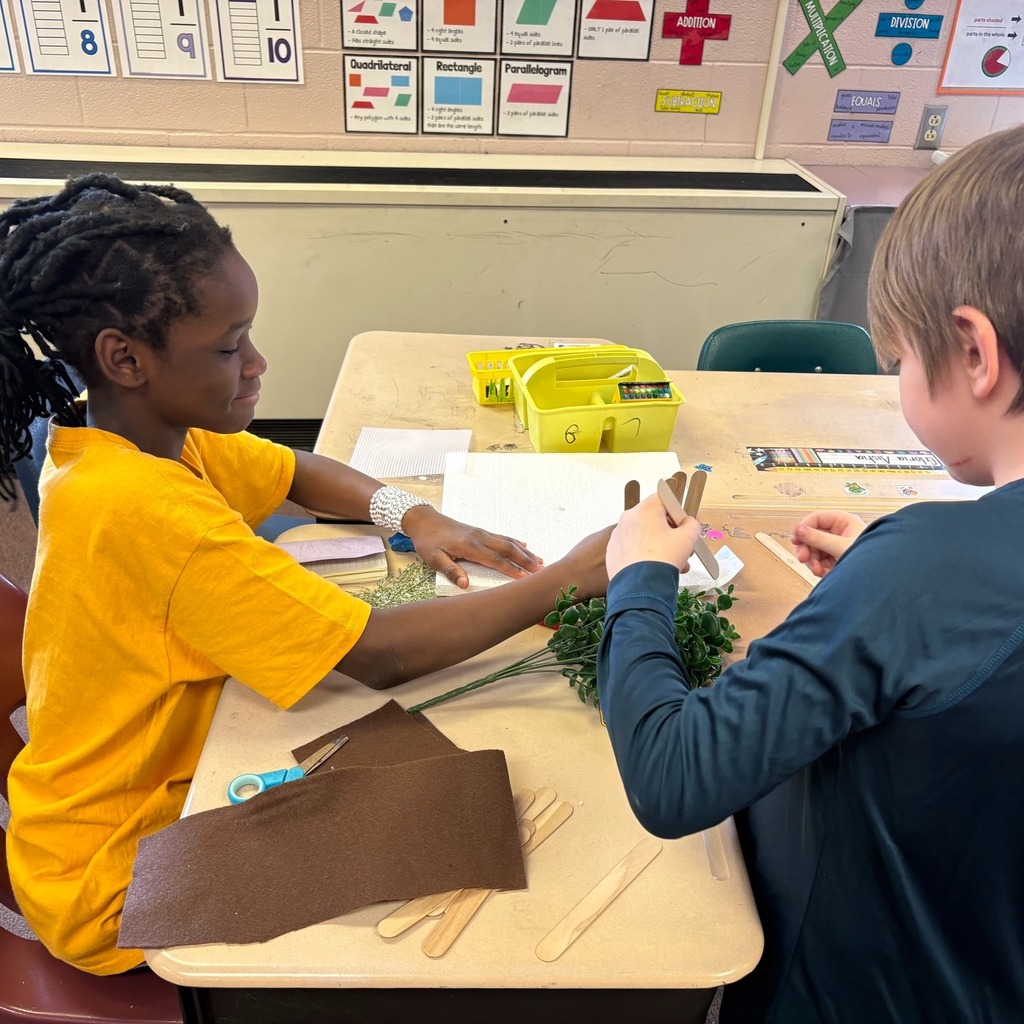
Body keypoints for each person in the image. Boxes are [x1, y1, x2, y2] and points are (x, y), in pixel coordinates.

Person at [0, 174, 609, 976]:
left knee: (431, 784)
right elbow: (381, 653)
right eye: (229, 348)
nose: (258, 364)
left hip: (123, 807)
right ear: (127, 358)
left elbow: (295, 470)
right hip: (120, 878)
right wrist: (571, 576)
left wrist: (416, 515)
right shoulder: (146, 509)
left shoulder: (130, 444)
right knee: (459, 827)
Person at [597, 124, 1024, 1024]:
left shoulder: (923, 573)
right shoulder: (928, 575)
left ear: (974, 352)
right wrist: (891, 587)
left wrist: (639, 580)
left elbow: (672, 777)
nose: (899, 378)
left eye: (900, 360)